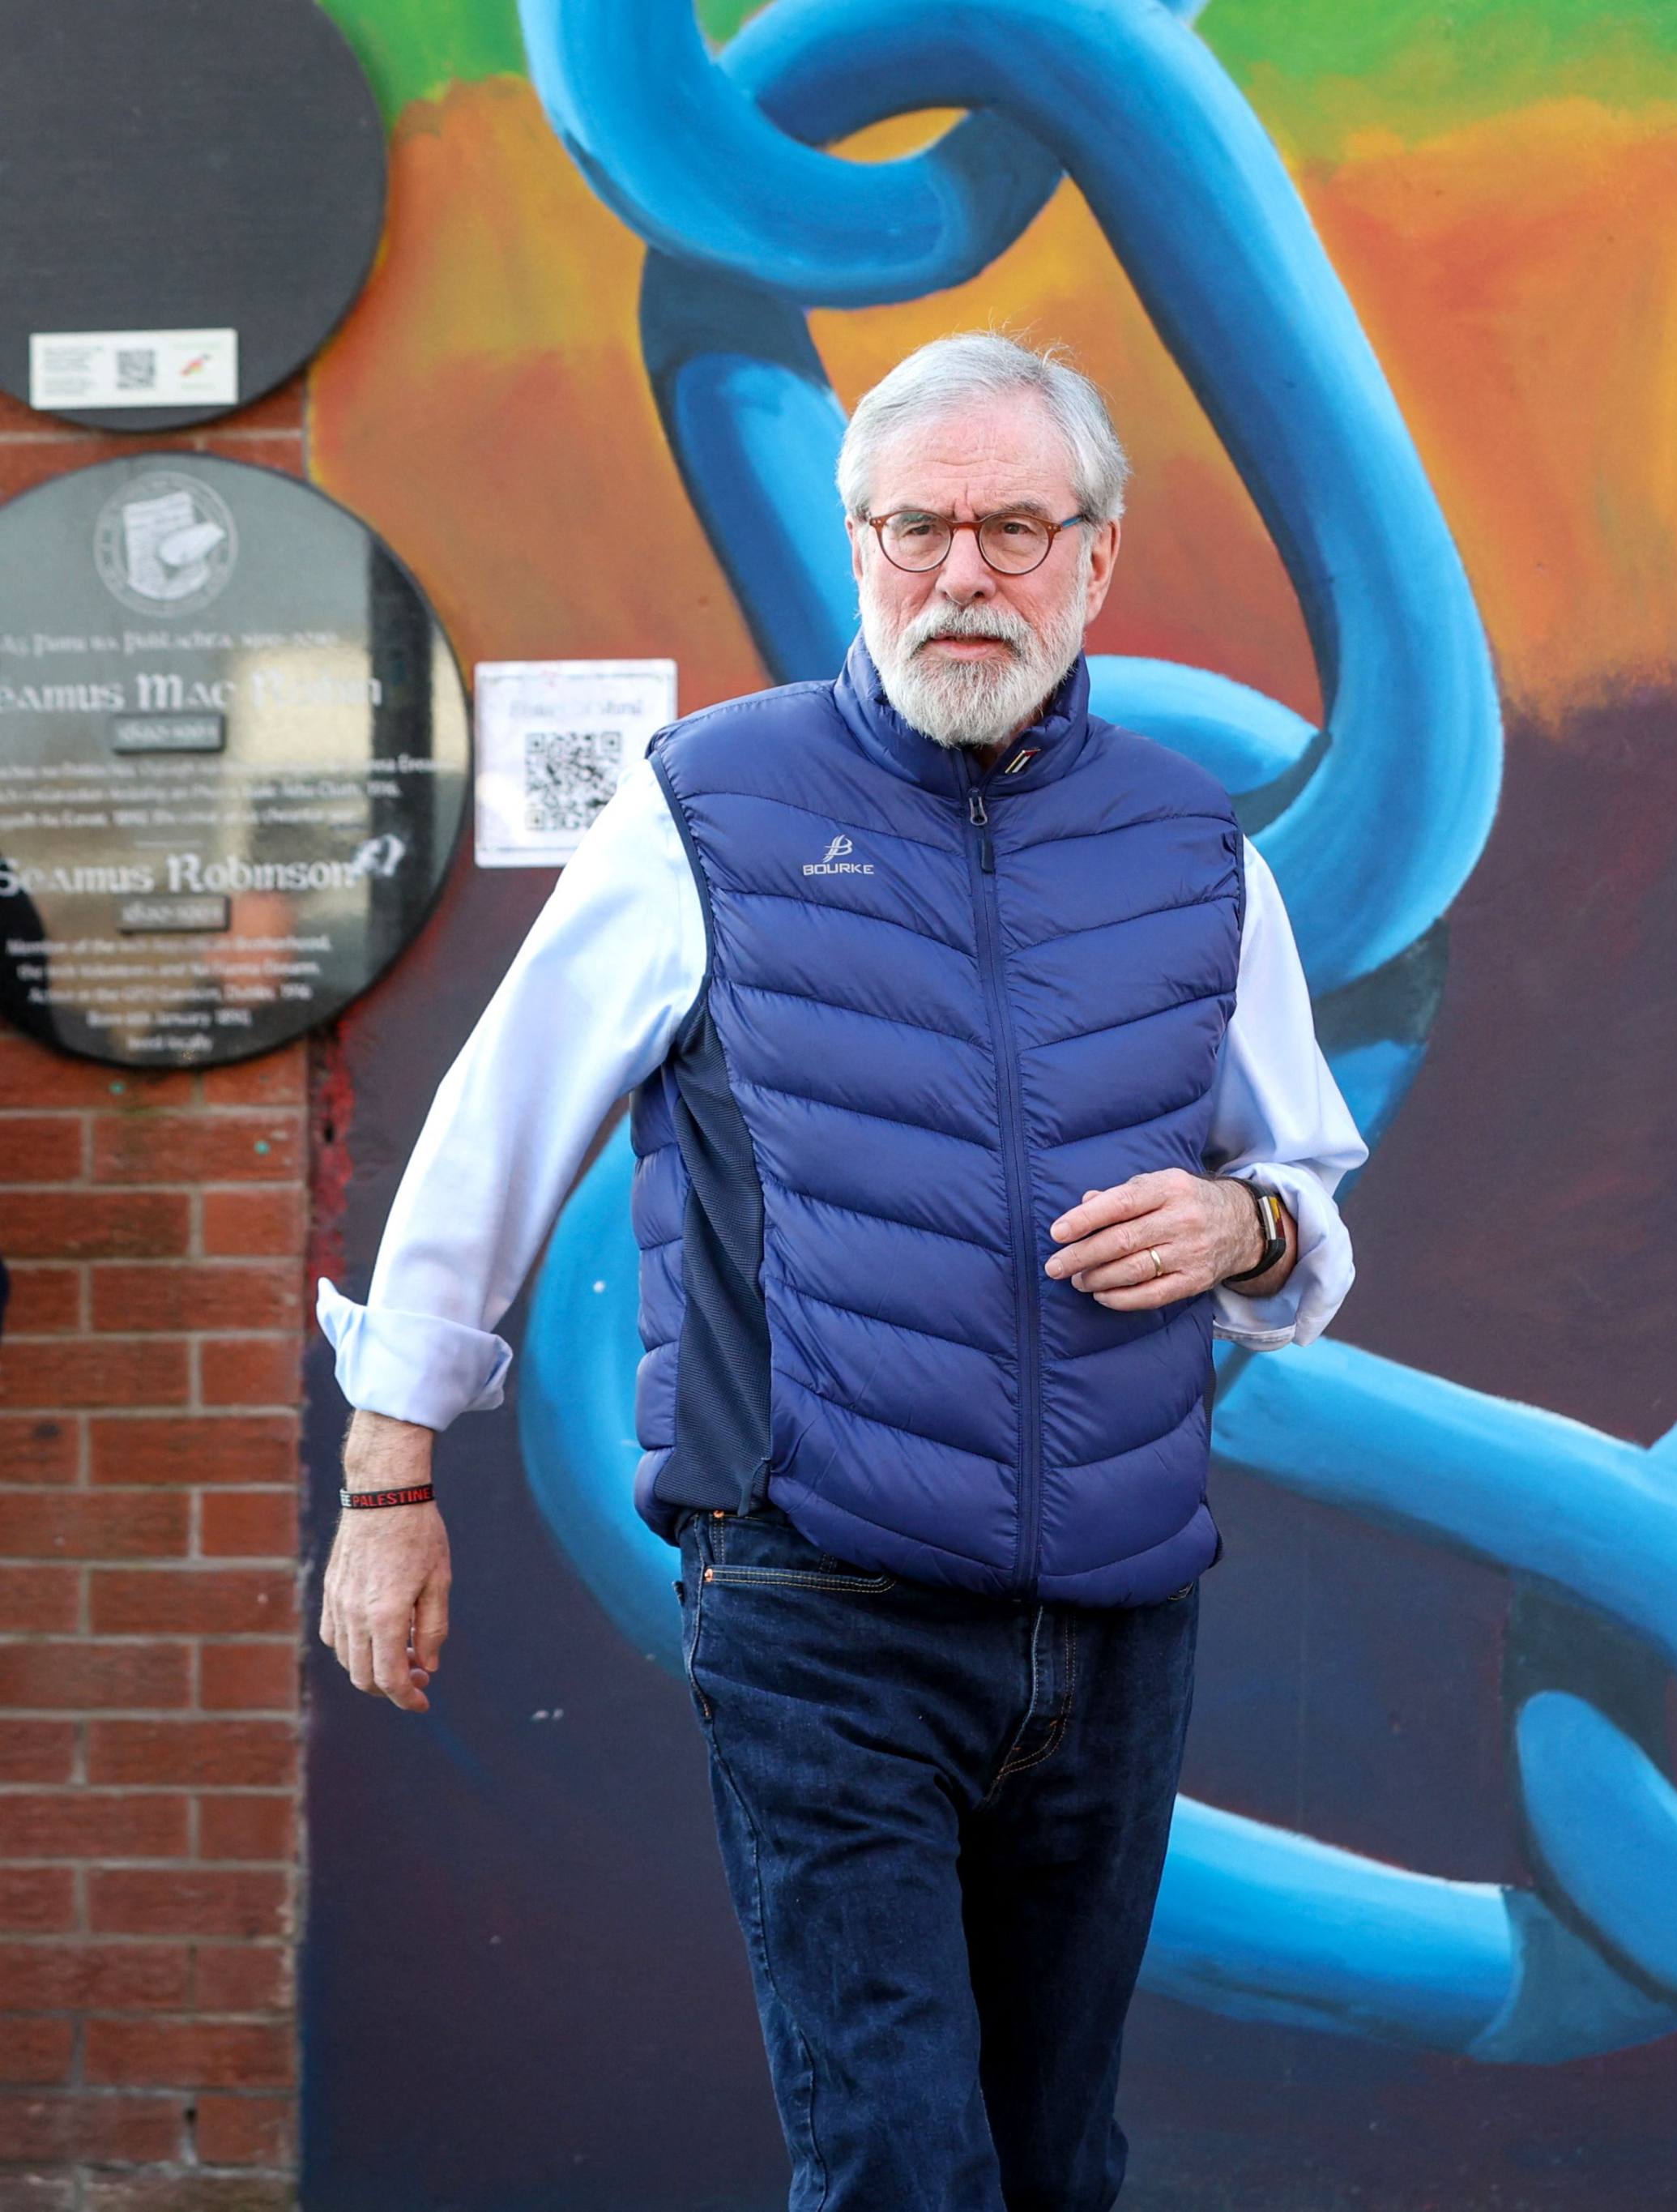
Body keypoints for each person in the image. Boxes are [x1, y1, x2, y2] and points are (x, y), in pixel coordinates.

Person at [309, 332, 1366, 2210]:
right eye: (917, 529)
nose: (964, 575)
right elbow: (493, 1133)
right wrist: (388, 1480)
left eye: (1016, 530)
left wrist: (1248, 1227)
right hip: (821, 1596)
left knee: (1054, 2165)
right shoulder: (706, 808)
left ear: (1096, 560)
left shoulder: (1198, 850)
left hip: (1117, 1625)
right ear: (856, 547)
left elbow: (1300, 1199)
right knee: (894, 2162)